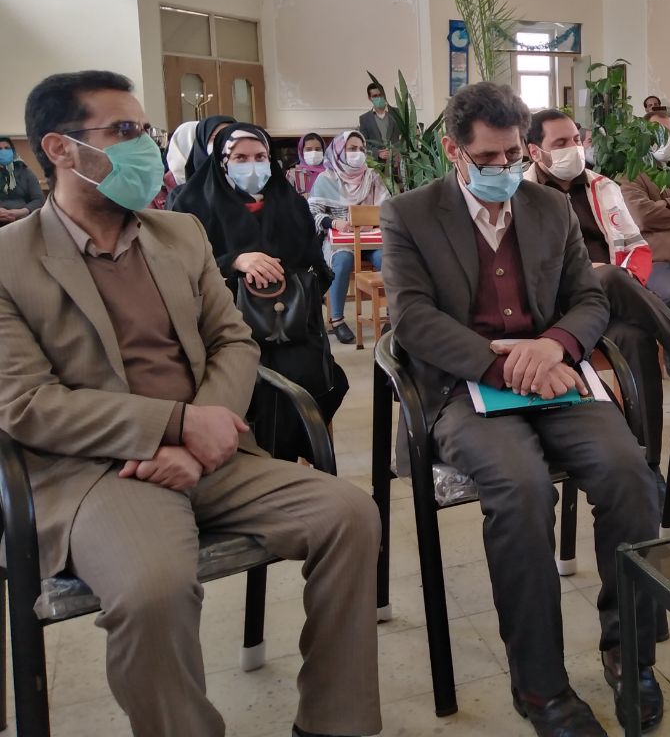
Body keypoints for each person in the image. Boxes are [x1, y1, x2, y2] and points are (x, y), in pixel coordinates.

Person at [2, 71, 381, 737]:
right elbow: (28, 403)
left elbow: (232, 341)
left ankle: (332, 721)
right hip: (99, 472)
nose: (144, 147)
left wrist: (206, 431)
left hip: (215, 450)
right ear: (60, 149)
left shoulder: (177, 234)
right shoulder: (11, 261)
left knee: (349, 515)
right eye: (123, 131)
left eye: (145, 130)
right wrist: (176, 427)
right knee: (152, 589)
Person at [381, 82, 662, 737]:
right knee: (521, 487)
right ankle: (541, 688)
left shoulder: (549, 207)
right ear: (453, 150)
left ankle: (629, 649)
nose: (504, 169)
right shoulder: (410, 214)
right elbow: (412, 317)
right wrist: (504, 363)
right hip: (465, 388)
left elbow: (589, 298)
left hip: (554, 375)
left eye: (513, 155)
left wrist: (555, 344)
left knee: (630, 473)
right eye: (487, 158)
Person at [526, 109, 670, 498]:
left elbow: (636, 248)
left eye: (576, 139)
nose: (574, 148)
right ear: (534, 151)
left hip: (610, 302)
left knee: (635, 338)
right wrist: (589, 273)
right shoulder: (521, 197)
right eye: (560, 143)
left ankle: (648, 466)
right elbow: (528, 269)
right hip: (561, 310)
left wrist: (616, 278)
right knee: (610, 277)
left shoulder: (602, 187)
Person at [171, 123, 348, 460]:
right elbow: (179, 269)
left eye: (260, 157)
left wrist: (286, 283)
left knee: (311, 379)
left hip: (291, 325)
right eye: (240, 158)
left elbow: (317, 267)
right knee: (248, 382)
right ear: (222, 161)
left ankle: (292, 461)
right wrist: (235, 261)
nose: (252, 166)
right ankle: (255, 460)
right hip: (223, 328)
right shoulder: (193, 205)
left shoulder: (290, 203)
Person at [308, 130, 388, 344]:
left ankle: (391, 315)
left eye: (361, 149)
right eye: (352, 149)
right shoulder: (326, 178)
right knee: (342, 261)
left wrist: (372, 221)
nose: (358, 153)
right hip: (339, 240)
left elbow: (387, 208)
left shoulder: (372, 177)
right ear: (339, 151)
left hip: (370, 238)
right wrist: (334, 222)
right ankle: (337, 320)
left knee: (387, 259)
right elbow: (312, 213)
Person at [620, 109, 670, 307]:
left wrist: (666, 204)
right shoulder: (631, 174)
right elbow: (642, 217)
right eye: (659, 133)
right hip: (657, 259)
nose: (668, 139)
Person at [0, 134, 44, 223]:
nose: (3, 151)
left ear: (13, 151)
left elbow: (39, 199)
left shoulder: (25, 172)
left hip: (23, 220)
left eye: (7, 148)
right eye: (0, 149)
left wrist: (20, 212)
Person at [358, 81, 401, 164]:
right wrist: (377, 153)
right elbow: (363, 143)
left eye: (380, 95)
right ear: (369, 98)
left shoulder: (397, 113)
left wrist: (395, 151)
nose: (379, 98)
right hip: (377, 164)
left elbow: (405, 136)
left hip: (397, 162)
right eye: (375, 96)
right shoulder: (364, 119)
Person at [287, 131, 328, 196]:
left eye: (317, 149)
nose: (314, 153)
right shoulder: (292, 174)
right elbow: (286, 198)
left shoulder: (330, 173)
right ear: (301, 151)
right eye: (308, 149)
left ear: (323, 151)